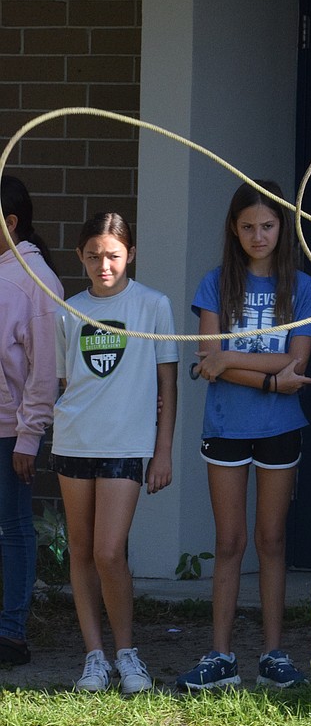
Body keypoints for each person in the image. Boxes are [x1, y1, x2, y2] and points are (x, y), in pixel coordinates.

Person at [177, 180, 311, 692]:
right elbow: (205, 365)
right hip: (226, 427)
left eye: (267, 225)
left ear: (283, 228)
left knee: (272, 540)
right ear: (233, 230)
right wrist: (267, 378)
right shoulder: (214, 284)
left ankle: (273, 655)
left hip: (280, 427)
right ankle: (221, 656)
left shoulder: (303, 288)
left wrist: (232, 356)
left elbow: (296, 362)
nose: (258, 235)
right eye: (248, 226)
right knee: (230, 541)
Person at [52, 211, 178, 694]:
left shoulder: (153, 306)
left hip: (126, 445)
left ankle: (128, 655)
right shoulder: (69, 307)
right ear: (80, 256)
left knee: (109, 551)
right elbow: (69, 381)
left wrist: (161, 451)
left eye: (113, 256)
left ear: (131, 255)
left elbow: (167, 383)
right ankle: (94, 657)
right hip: (74, 441)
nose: (103, 265)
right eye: (93, 256)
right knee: (81, 550)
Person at [0, 175, 64, 665]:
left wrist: (28, 437)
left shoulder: (32, 279)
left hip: (8, 432)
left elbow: (44, 371)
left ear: (11, 221)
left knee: (13, 527)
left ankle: (11, 634)